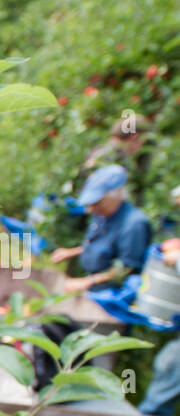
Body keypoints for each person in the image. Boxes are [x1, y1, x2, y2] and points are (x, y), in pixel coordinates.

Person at [36, 165, 153, 391]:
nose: (91, 209)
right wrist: (72, 251)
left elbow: (126, 268)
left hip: (112, 299)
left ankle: (86, 392)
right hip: (93, 290)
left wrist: (86, 282)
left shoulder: (134, 225)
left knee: (94, 352)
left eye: (97, 203)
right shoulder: (104, 215)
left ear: (116, 194)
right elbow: (102, 244)